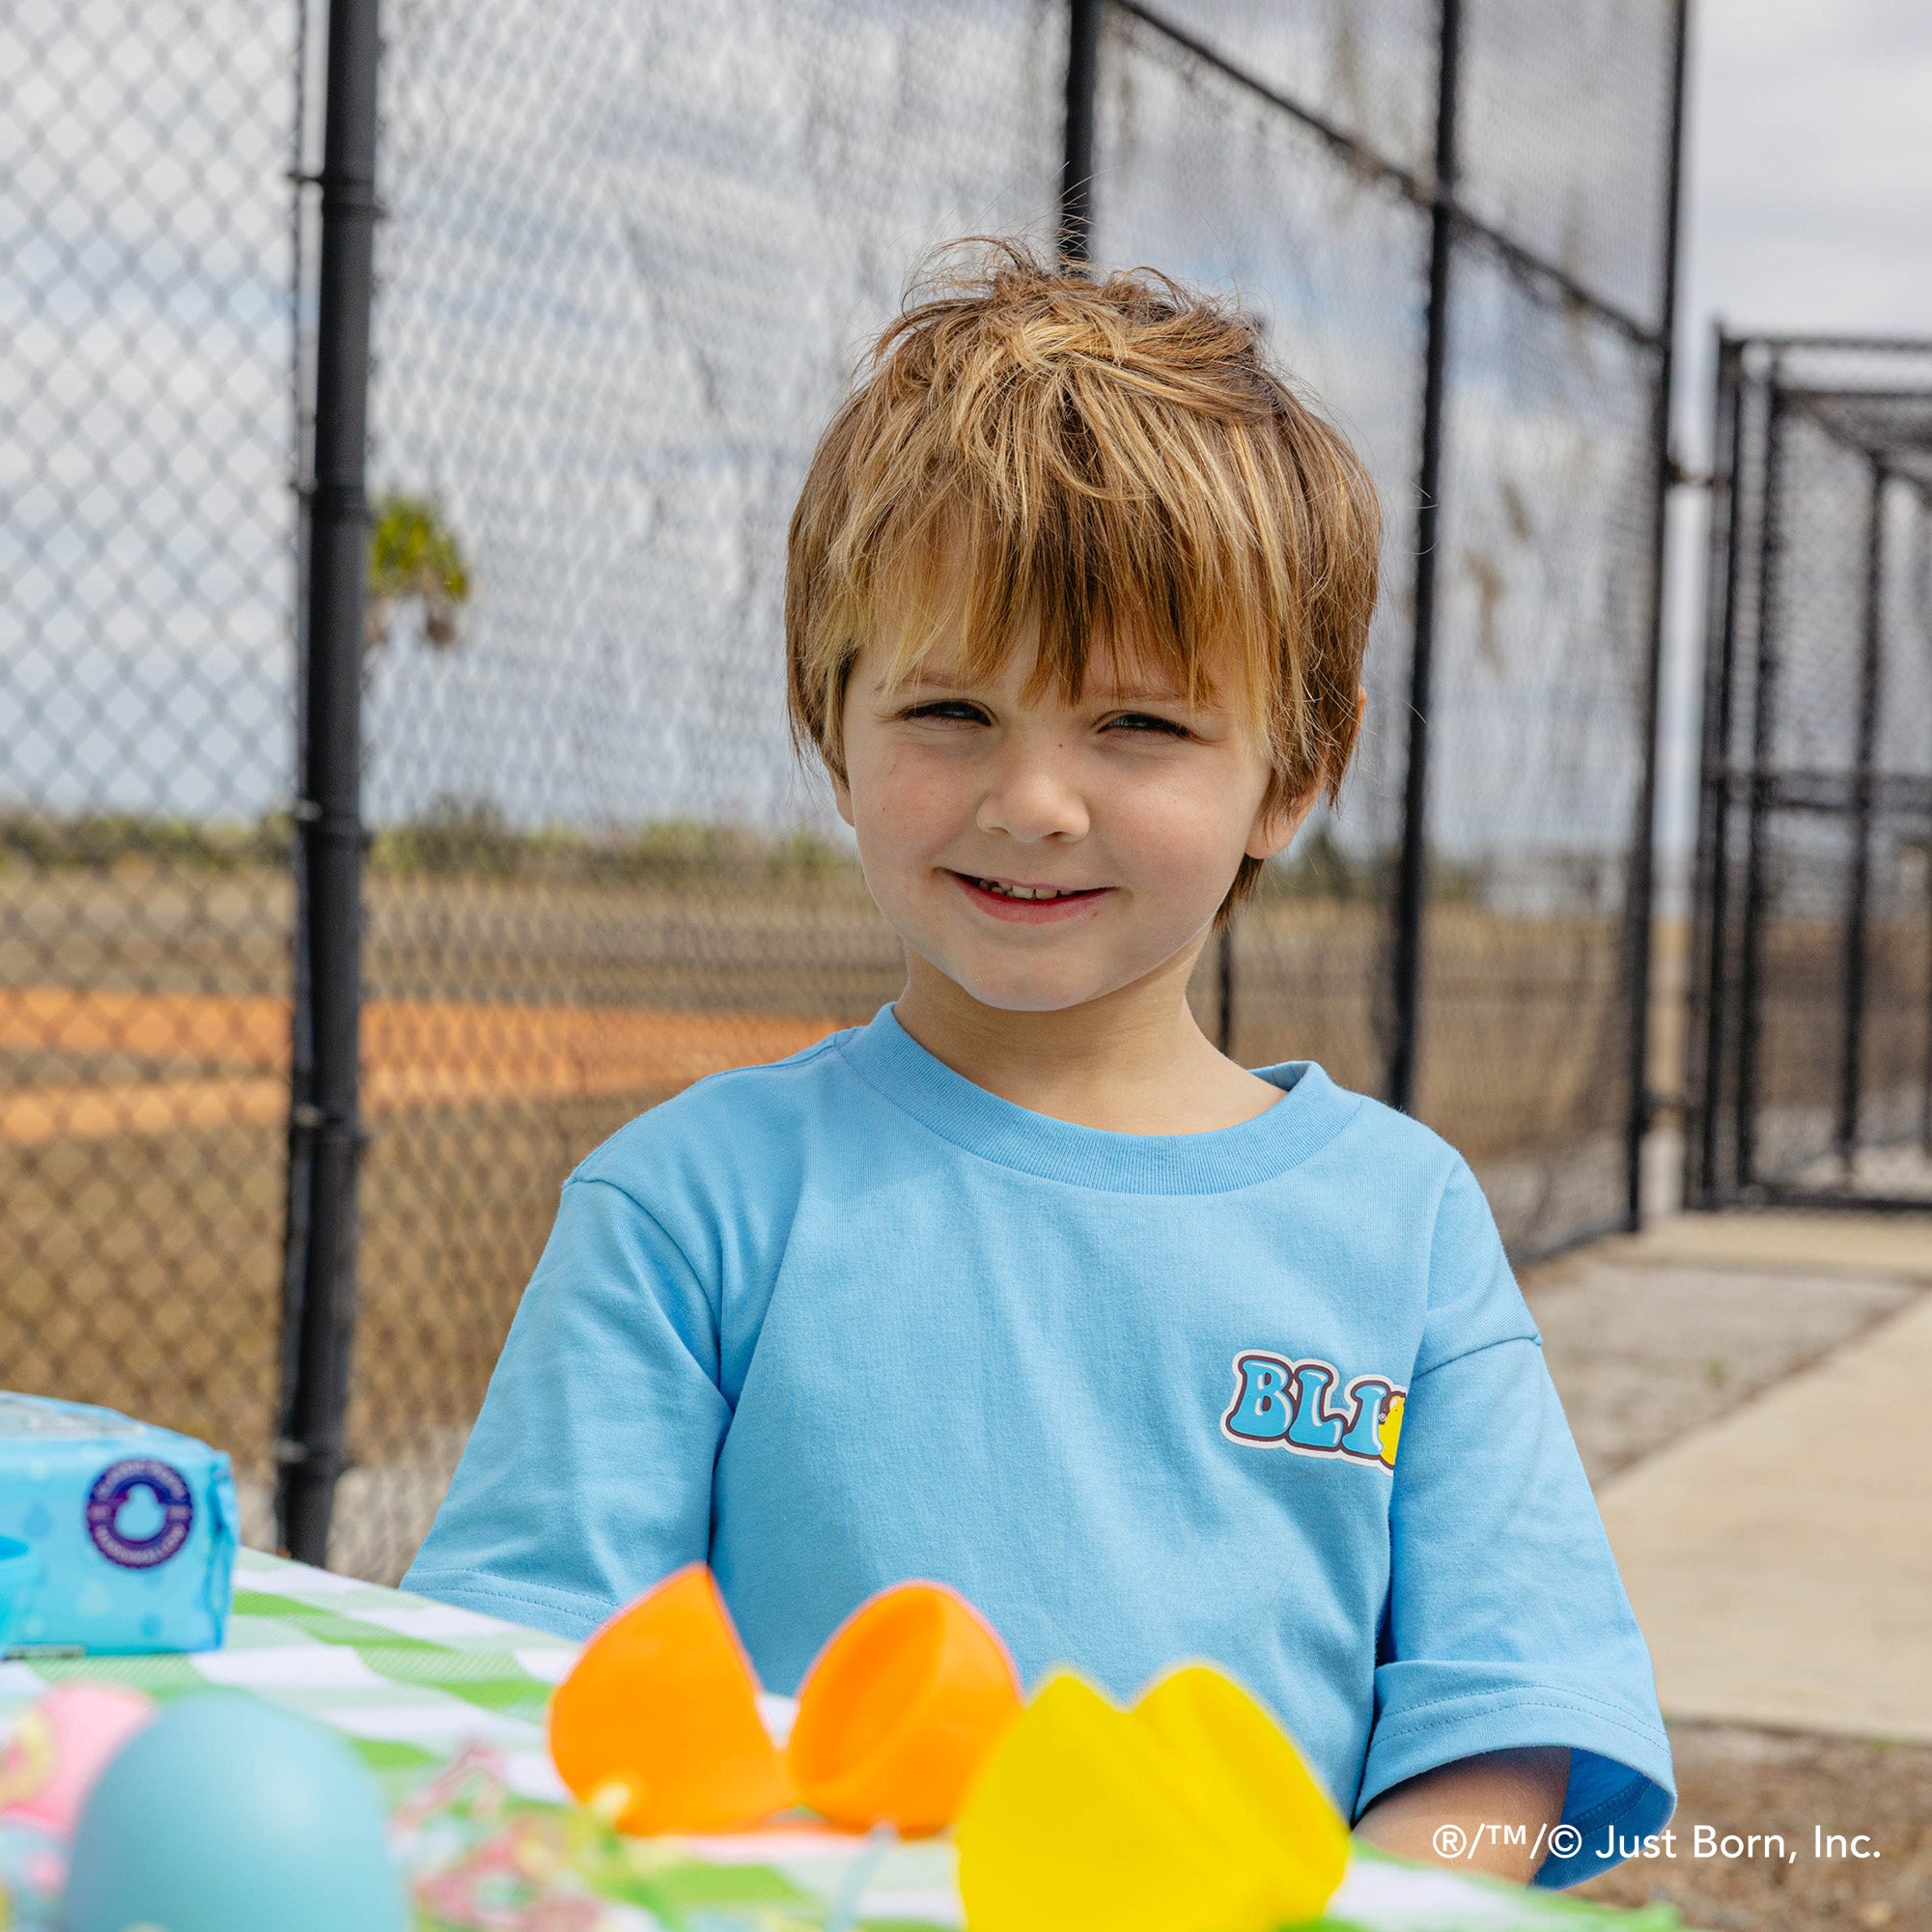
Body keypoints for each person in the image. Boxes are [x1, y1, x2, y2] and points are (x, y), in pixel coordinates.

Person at [404, 241, 1672, 1888]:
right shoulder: (688, 1203)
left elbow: (1508, 1717)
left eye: (1136, 727)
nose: (1035, 800)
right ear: (827, 718)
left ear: (1295, 768)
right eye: (948, 711)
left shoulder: (1403, 1224)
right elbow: (513, 1680)